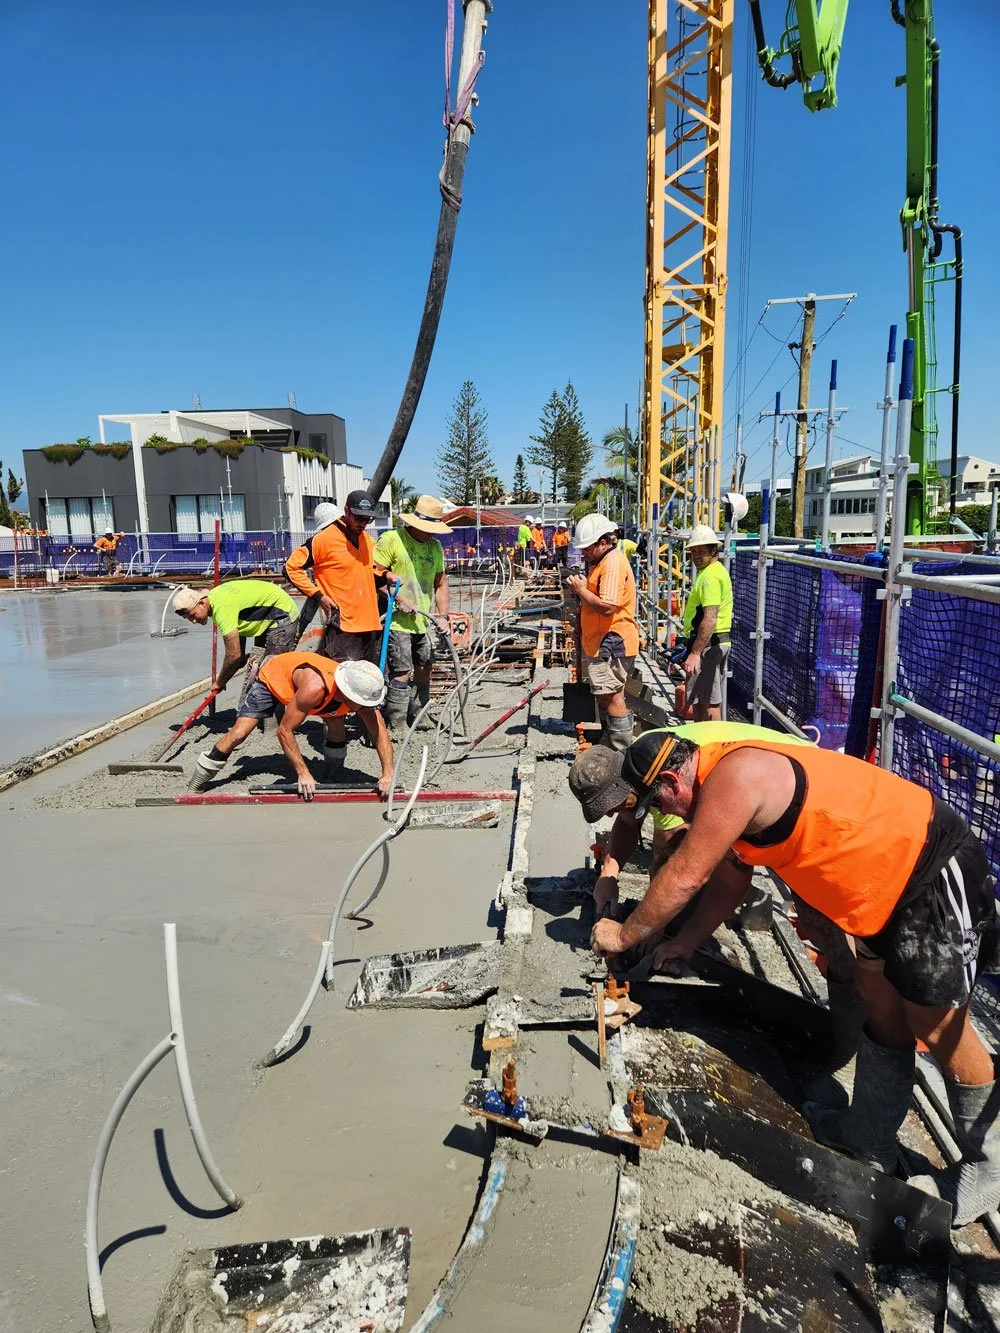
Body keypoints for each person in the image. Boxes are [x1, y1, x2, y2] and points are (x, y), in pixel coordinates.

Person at [568, 726, 1000, 1225]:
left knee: (937, 1025)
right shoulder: (713, 786)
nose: (670, 817)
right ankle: (869, 1134)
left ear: (672, 780)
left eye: (662, 804)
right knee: (880, 1006)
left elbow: (688, 873)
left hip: (925, 866)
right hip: (875, 891)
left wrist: (624, 936)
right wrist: (682, 942)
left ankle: (989, 1166)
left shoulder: (735, 778)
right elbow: (730, 882)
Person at [189, 654, 393, 801]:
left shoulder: (358, 693)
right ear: (350, 694)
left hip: (322, 690)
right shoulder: (315, 689)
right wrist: (302, 773)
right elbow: (284, 731)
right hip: (274, 677)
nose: (366, 708)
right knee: (239, 734)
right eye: (362, 703)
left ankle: (333, 774)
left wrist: (388, 773)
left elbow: (379, 732)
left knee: (336, 723)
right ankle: (197, 783)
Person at [373, 496, 451, 737]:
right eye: (426, 528)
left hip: (422, 620)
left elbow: (441, 583)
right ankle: (397, 722)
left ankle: (419, 713)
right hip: (395, 620)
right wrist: (397, 598)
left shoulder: (434, 547)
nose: (429, 533)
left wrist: (443, 615)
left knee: (425, 666)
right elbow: (373, 577)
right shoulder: (392, 540)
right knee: (402, 670)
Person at [284, 490, 387, 663]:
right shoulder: (323, 540)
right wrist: (319, 596)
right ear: (346, 511)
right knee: (339, 679)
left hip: (370, 623)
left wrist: (386, 575)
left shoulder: (367, 540)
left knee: (367, 681)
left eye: (368, 520)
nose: (363, 524)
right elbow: (290, 568)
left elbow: (371, 574)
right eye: (359, 518)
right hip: (343, 625)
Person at [566, 513, 639, 752]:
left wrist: (580, 590)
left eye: (587, 548)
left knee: (613, 697)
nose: (584, 553)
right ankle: (612, 744)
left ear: (603, 542)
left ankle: (619, 751)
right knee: (607, 695)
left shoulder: (612, 564)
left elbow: (608, 607)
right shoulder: (601, 563)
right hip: (602, 642)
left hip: (612, 642)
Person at [172, 579, 302, 692]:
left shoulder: (222, 608)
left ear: (202, 603)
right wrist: (237, 662)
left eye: (193, 615)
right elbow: (238, 643)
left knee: (273, 672)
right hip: (266, 612)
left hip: (281, 613)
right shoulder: (214, 599)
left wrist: (219, 682)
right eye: (188, 618)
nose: (193, 621)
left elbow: (233, 655)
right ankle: (260, 712)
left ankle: (274, 717)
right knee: (259, 669)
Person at [679, 524, 733, 722]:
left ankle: (713, 748)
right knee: (701, 699)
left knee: (710, 702)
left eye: (701, 551)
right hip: (711, 644)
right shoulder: (712, 572)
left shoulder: (710, 576)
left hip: (709, 646)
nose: (696, 556)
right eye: (693, 551)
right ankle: (700, 744)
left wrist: (695, 653)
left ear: (713, 550)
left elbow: (710, 617)